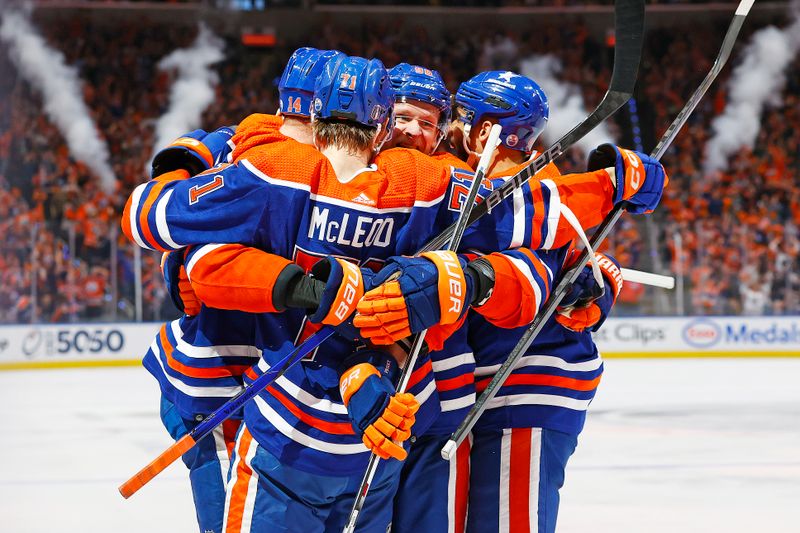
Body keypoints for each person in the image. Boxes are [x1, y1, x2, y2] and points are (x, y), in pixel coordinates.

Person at [123, 54, 664, 532]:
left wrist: (490, 278)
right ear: (379, 121)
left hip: (389, 408)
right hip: (236, 389)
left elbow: (534, 230)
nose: (410, 130)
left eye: (425, 121)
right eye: (400, 116)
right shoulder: (372, 175)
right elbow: (193, 247)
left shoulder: (374, 174)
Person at [355, 70, 663, 533]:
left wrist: (595, 275)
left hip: (528, 382)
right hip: (476, 384)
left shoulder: (534, 188)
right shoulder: (460, 171)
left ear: (484, 128)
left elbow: (563, 250)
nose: (442, 130)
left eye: (454, 117)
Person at [141, 47, 343, 533]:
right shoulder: (252, 157)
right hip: (217, 383)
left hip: (274, 390)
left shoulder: (338, 165)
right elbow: (151, 220)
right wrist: (186, 262)